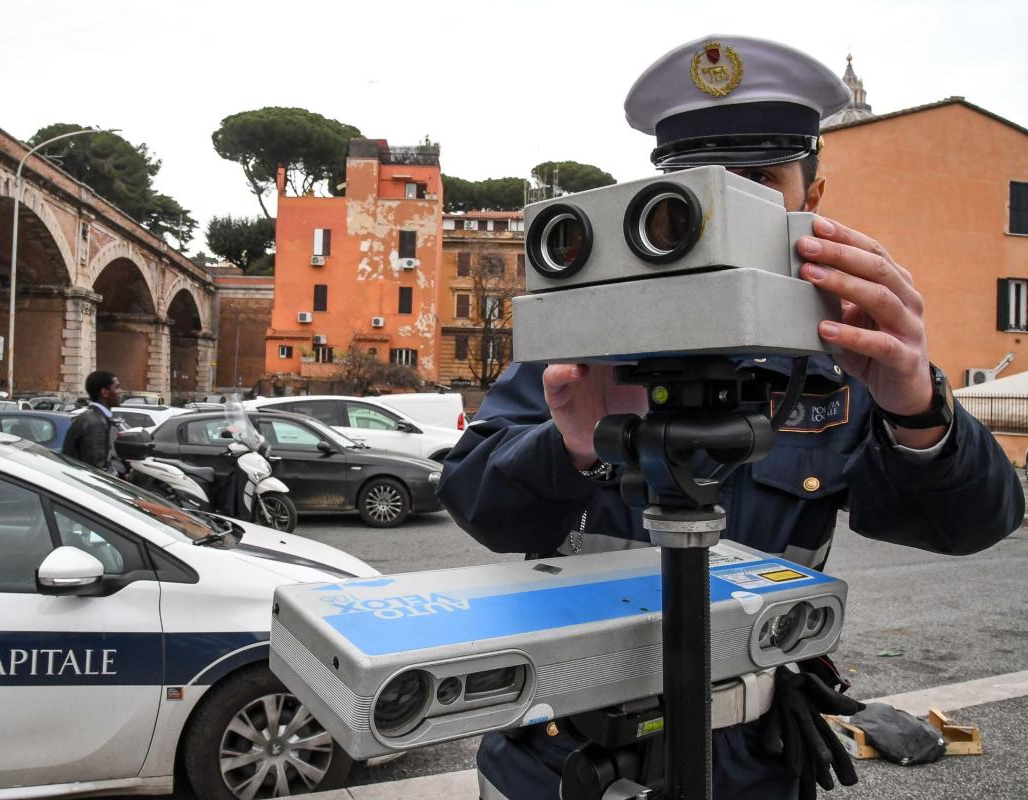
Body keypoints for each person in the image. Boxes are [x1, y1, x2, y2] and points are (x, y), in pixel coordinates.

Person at [437, 35, 1025, 800]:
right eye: (700, 183)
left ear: (811, 200)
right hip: (565, 748)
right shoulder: (588, 337)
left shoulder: (837, 353)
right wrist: (571, 444)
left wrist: (918, 410)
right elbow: (481, 506)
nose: (724, 207)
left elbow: (972, 525)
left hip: (748, 758)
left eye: (759, 181)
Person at [62, 370, 127, 476]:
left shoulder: (94, 417)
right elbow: (97, 469)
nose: (121, 391)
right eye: (117, 387)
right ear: (104, 392)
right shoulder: (96, 423)